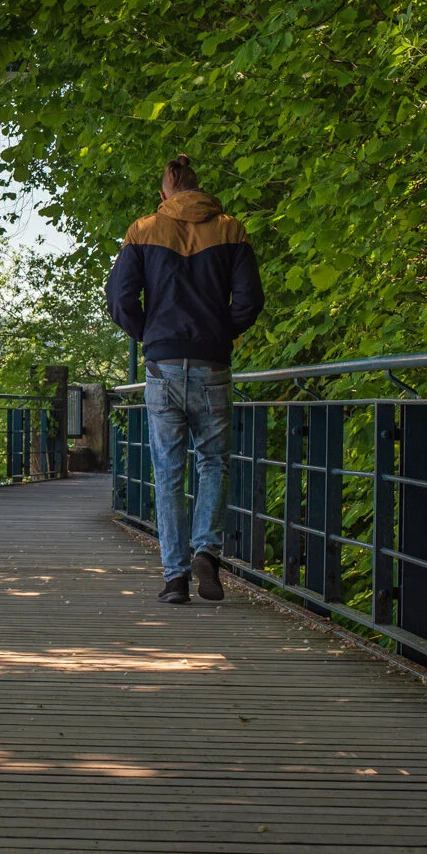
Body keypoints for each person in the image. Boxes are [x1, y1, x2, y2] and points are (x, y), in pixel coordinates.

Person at [105, 155, 264, 604]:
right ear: (199, 191)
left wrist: (149, 335)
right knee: (213, 463)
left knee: (168, 471)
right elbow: (250, 299)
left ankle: (175, 579)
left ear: (164, 194)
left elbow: (119, 298)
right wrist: (223, 332)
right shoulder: (231, 229)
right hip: (212, 364)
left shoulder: (143, 229)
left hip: (163, 365)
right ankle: (206, 553)